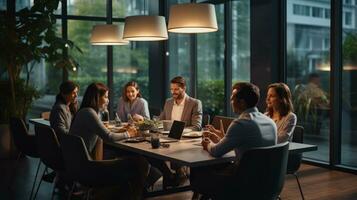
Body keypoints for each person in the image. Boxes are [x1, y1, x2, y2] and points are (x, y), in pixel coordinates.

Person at [190, 82, 277, 197]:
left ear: (241, 102)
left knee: (198, 169)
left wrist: (207, 143)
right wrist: (222, 138)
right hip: (269, 181)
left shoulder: (240, 123)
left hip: (242, 182)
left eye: (232, 99)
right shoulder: (270, 122)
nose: (231, 102)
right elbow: (247, 143)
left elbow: (216, 151)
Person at [69, 82, 148, 198]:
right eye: (105, 97)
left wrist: (122, 131)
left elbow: (105, 134)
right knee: (140, 162)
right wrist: (129, 134)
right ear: (97, 98)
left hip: (77, 165)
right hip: (88, 169)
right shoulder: (90, 113)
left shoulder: (84, 111)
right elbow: (109, 137)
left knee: (128, 159)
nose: (108, 100)